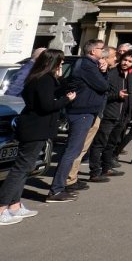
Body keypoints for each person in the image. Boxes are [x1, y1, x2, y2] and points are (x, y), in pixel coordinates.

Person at [0, 49, 75, 220]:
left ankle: (14, 205)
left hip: (35, 128)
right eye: (60, 63)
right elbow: (47, 105)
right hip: (35, 128)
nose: (62, 65)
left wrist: (60, 79)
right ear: (53, 63)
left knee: (25, 169)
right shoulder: (44, 79)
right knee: (20, 169)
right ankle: (2, 207)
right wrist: (66, 100)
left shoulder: (40, 78)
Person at [48, 39, 108, 201]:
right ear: (92, 51)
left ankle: (61, 185)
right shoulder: (87, 65)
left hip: (86, 111)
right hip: (81, 112)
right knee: (71, 151)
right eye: (101, 49)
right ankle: (56, 189)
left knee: (75, 150)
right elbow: (103, 86)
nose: (104, 52)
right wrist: (103, 72)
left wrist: (102, 71)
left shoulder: (90, 65)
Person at [88, 47, 131, 182]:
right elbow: (104, 94)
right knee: (99, 143)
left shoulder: (124, 75)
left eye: (130, 61)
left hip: (120, 115)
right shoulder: (110, 74)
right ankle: (95, 171)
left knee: (111, 143)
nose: (119, 60)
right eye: (115, 57)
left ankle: (106, 167)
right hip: (108, 114)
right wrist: (117, 95)